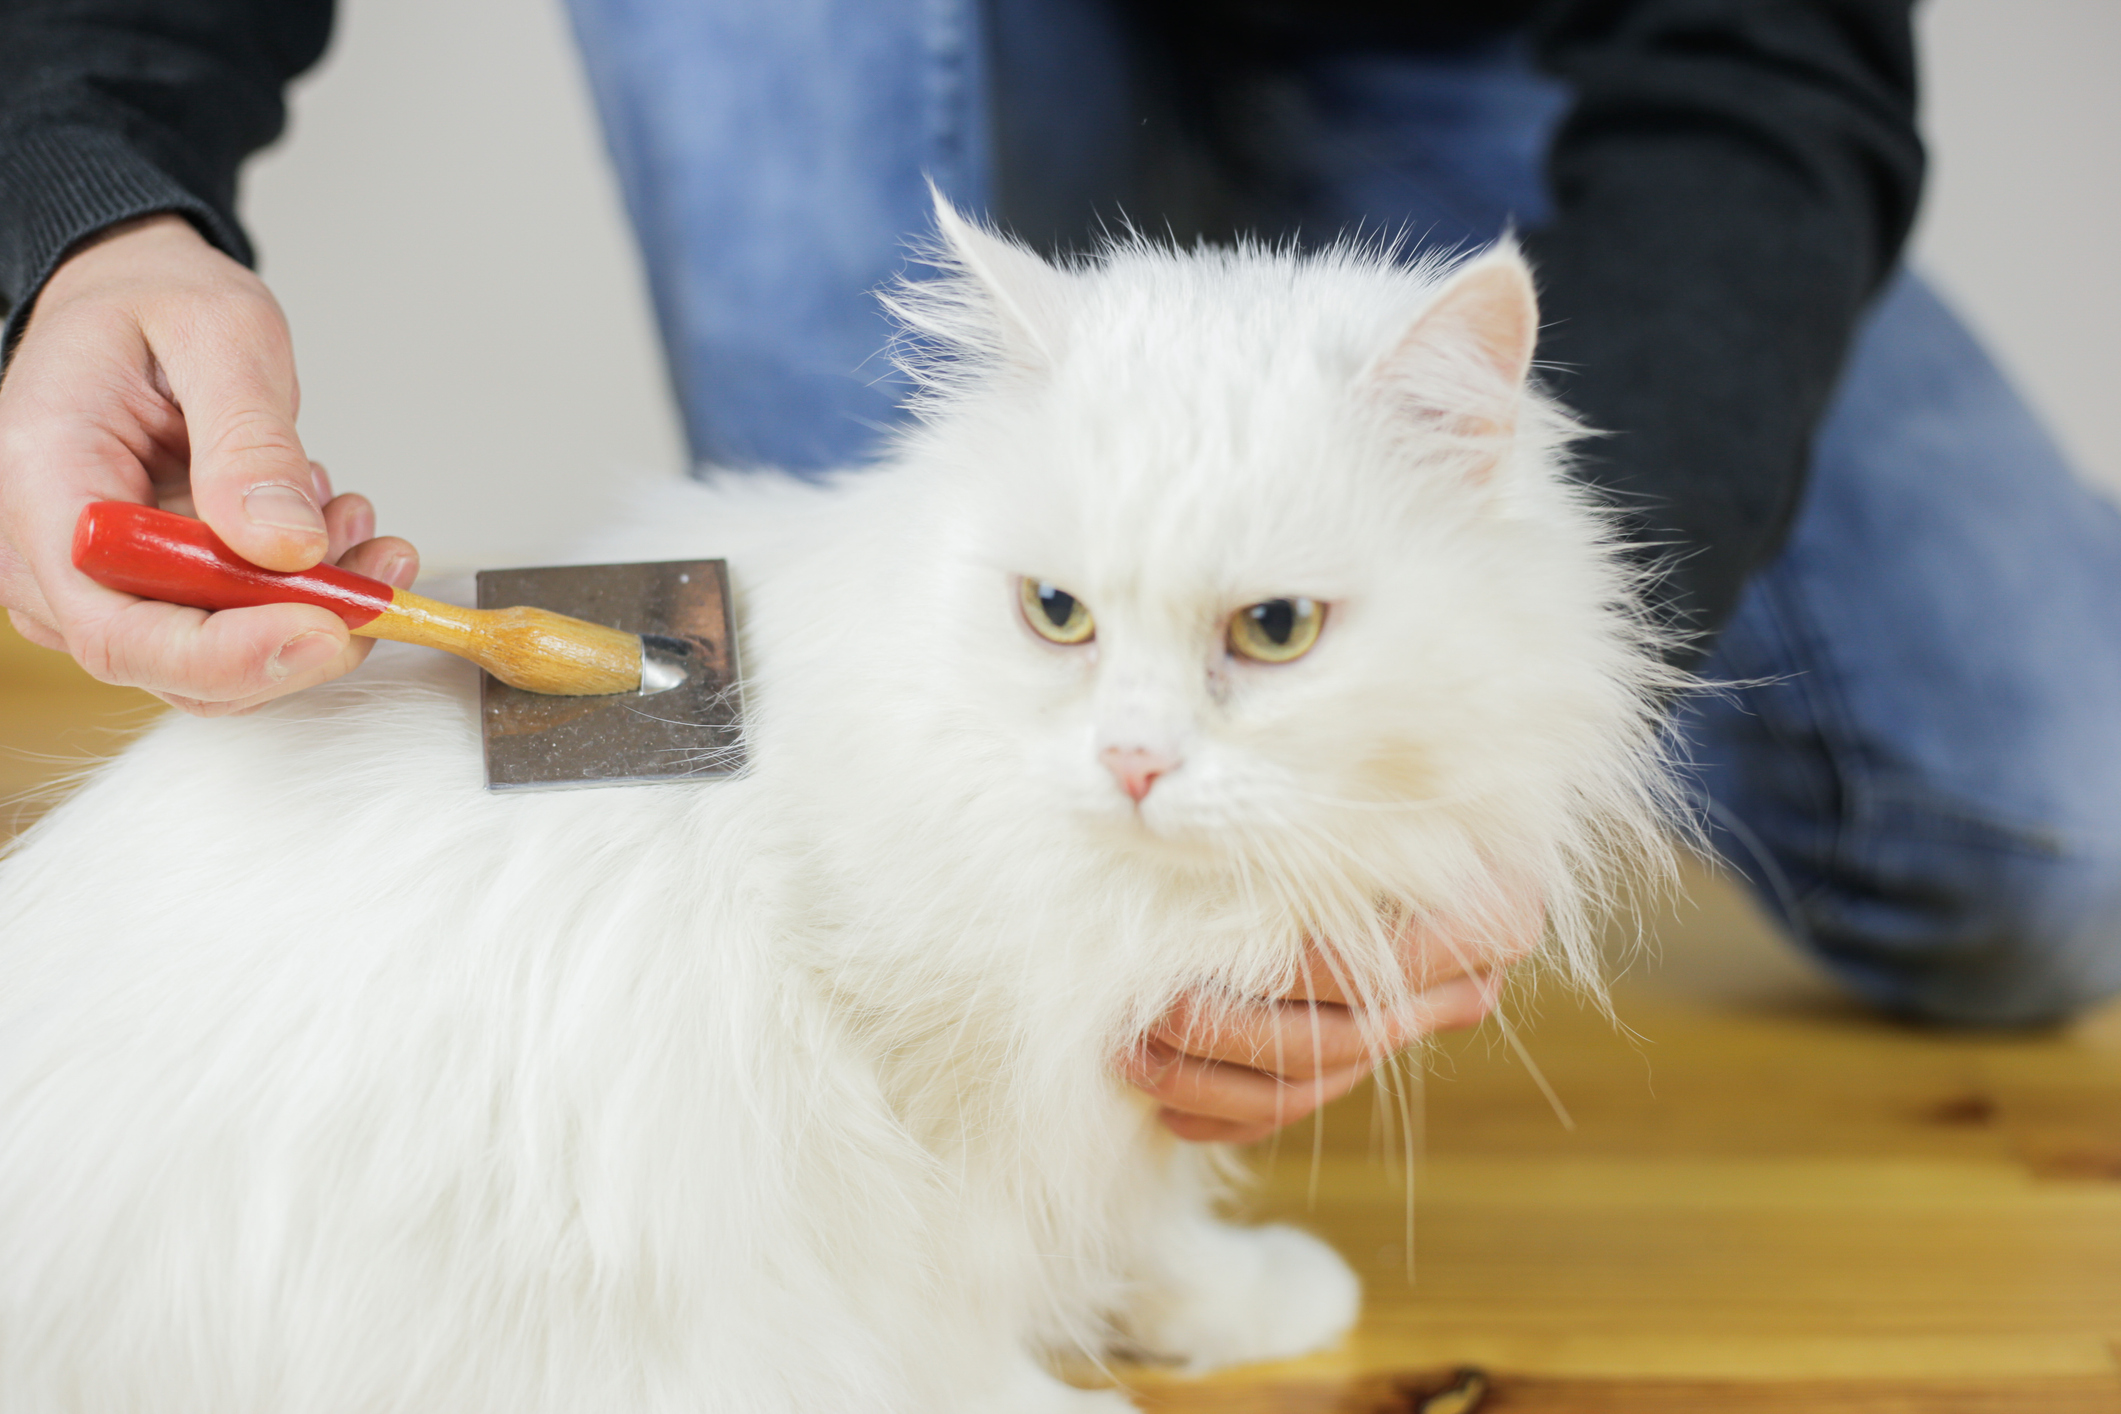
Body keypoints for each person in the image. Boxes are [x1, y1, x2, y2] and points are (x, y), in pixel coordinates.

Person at [3, 0, 2119, 1145]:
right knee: (859, 724)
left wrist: (1521, 740)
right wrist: (83, 206)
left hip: (1471, 65)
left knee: (2066, 844)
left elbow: (1771, 60)